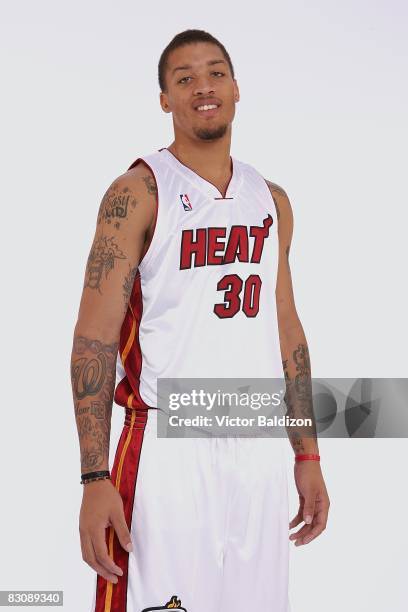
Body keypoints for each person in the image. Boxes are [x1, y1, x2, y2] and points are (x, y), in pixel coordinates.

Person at [71, 29, 330, 612]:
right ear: (165, 99)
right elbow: (93, 340)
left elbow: (285, 326)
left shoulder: (271, 198)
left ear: (237, 88)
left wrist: (306, 456)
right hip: (167, 446)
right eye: (183, 78)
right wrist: (93, 478)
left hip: (256, 441)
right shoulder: (137, 192)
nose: (202, 87)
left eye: (215, 73)